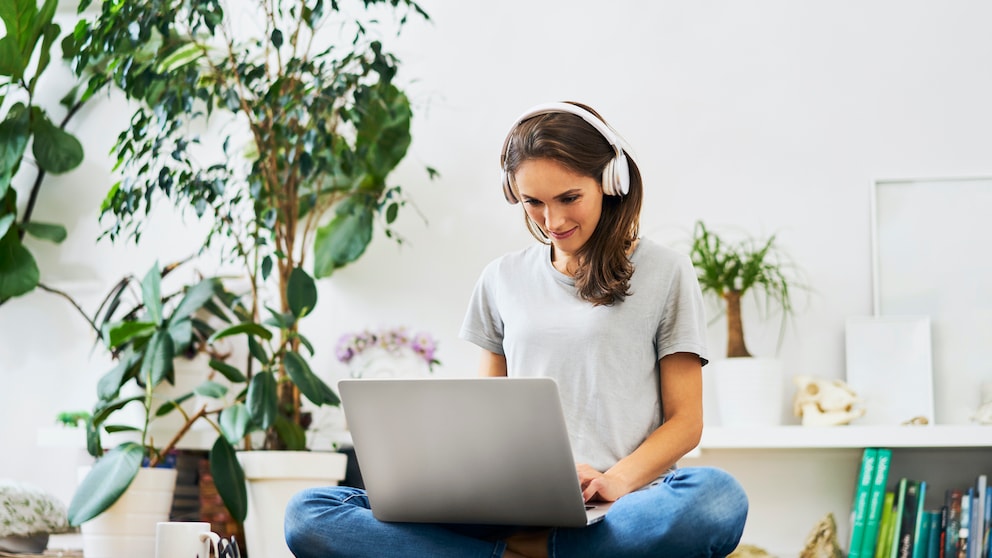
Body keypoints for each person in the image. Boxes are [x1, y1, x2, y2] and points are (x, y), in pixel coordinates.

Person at [284, 101, 748, 558]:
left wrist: (614, 482)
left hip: (618, 505)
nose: (553, 222)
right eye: (534, 203)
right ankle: (531, 551)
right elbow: (487, 418)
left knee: (717, 497)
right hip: (512, 507)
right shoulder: (501, 278)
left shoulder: (665, 271)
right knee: (309, 513)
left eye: (569, 198)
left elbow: (686, 422)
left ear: (611, 182)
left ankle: (529, 553)